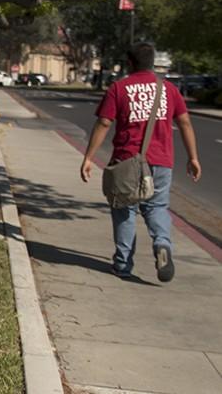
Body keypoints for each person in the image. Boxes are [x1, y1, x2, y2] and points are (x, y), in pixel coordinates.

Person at [80, 42, 201, 282]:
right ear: (152, 63)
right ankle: (162, 245)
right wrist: (193, 157)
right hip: (162, 161)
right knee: (157, 208)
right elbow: (185, 123)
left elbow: (104, 123)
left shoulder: (119, 88)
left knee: (124, 210)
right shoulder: (168, 89)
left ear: (129, 63)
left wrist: (88, 157)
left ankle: (123, 264)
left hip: (127, 160)